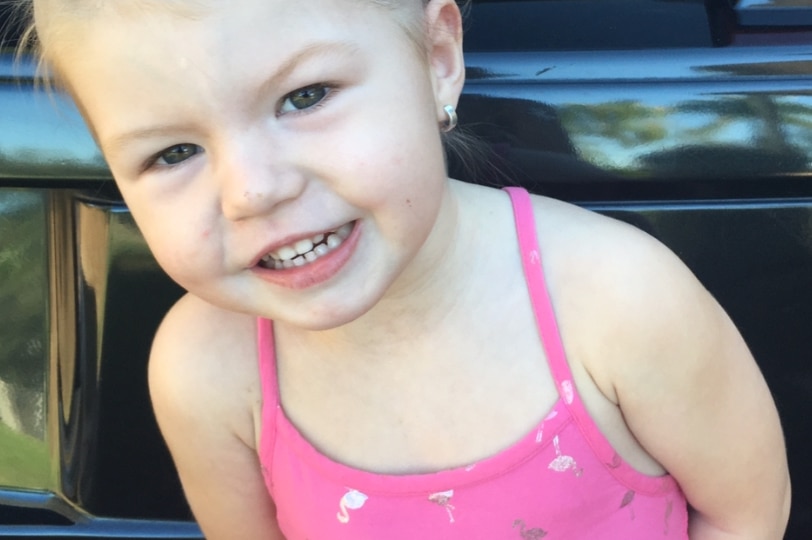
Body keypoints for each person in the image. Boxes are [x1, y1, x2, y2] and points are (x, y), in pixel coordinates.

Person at [15, 0, 791, 538]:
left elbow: (746, 516)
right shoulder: (206, 369)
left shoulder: (619, 302)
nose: (253, 189)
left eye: (305, 96)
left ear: (438, 60)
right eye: (173, 152)